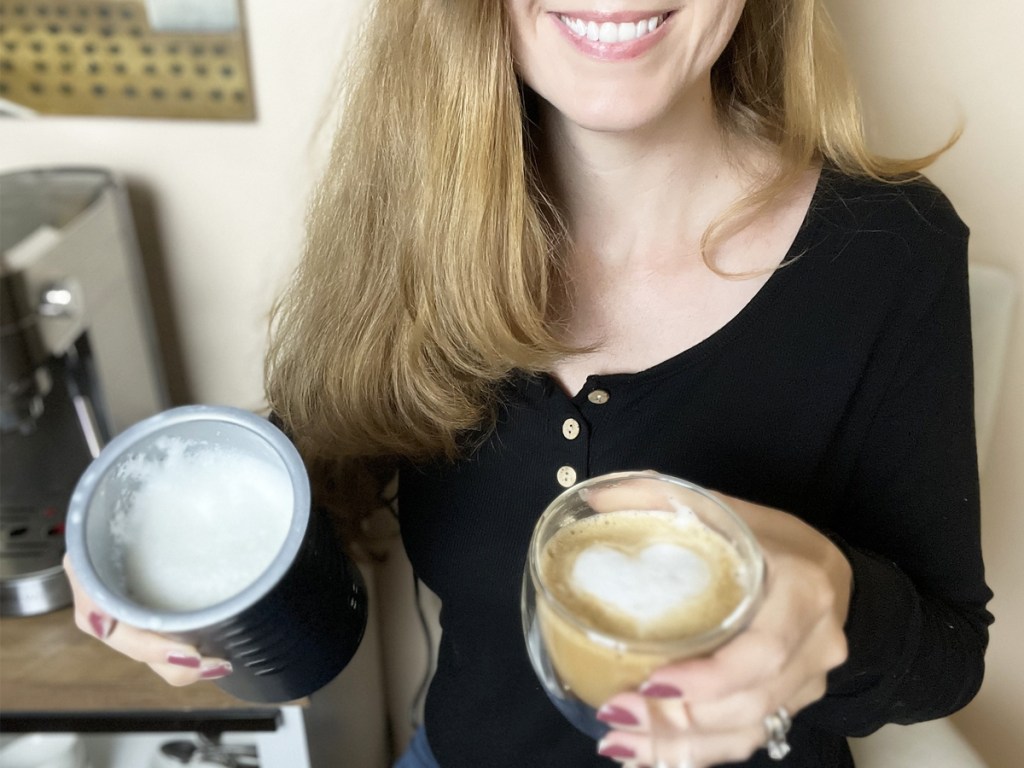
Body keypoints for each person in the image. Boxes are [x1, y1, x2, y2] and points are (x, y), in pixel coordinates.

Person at [65, 1, 993, 766]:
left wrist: (831, 592)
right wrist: (180, 568)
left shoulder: (891, 255)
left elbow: (949, 658)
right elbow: (330, 485)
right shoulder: (417, 229)